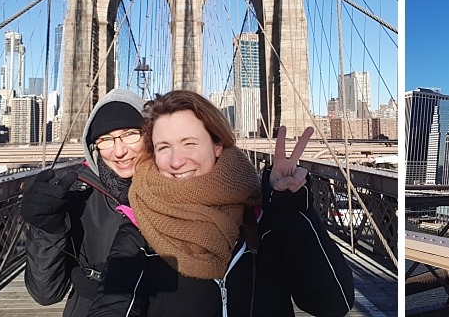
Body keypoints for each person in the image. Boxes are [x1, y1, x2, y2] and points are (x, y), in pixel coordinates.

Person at [88, 90, 354, 317]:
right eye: (163, 147)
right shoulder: (140, 226)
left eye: (189, 143)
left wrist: (291, 210)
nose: (176, 161)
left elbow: (333, 303)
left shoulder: (264, 217)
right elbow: (112, 303)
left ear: (217, 144)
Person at [22, 89, 147, 317]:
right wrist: (47, 230)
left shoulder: (179, 189)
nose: (119, 151)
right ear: (93, 147)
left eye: (130, 134)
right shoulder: (77, 194)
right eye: (105, 140)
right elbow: (45, 293)